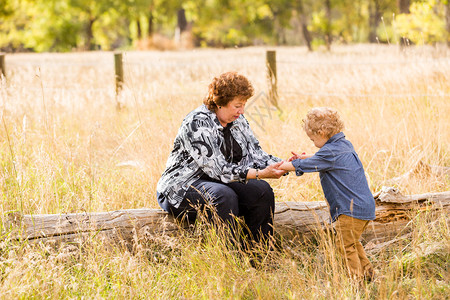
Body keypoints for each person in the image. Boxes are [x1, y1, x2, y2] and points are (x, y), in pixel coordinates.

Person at [156, 72, 286, 245]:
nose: (242, 111)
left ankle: (260, 254)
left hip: (217, 182)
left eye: (244, 105)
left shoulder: (238, 120)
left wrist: (290, 164)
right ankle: (229, 258)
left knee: (262, 191)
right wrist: (260, 173)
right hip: (182, 187)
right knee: (224, 196)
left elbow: (256, 154)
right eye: (237, 105)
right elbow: (218, 170)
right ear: (219, 102)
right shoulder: (197, 123)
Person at [278, 107, 375, 281]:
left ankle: (357, 282)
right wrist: (304, 156)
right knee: (353, 243)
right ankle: (369, 274)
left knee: (345, 247)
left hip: (349, 210)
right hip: (364, 206)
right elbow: (321, 157)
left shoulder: (329, 153)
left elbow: (314, 162)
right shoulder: (343, 144)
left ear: (322, 133)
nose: (312, 141)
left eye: (312, 138)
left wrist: (281, 166)